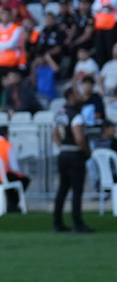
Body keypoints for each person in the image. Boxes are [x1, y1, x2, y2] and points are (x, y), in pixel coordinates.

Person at [53, 85, 94, 233]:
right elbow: (79, 137)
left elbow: (55, 134)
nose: (81, 96)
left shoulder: (59, 114)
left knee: (62, 190)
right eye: (77, 93)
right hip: (74, 155)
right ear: (71, 96)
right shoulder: (75, 115)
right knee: (77, 190)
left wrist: (62, 145)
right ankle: (78, 224)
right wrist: (86, 151)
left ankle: (57, 223)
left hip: (63, 154)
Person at [0, 125, 30, 213]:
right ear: (6, 134)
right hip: (2, 176)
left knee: (11, 181)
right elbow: (14, 167)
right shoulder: (6, 145)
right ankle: (13, 205)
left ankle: (11, 205)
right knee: (23, 180)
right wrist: (19, 174)